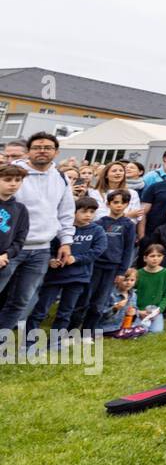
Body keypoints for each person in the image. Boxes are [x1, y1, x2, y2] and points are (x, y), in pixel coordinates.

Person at [0, 133, 74, 337]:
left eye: (48, 147)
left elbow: (66, 211)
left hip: (41, 249)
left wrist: (66, 241)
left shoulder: (60, 177)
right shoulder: (13, 174)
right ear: (28, 151)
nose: (42, 151)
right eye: (37, 147)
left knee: (21, 301)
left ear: (56, 152)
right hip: (9, 248)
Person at [30, 197, 107, 344]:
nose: (88, 215)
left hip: (78, 278)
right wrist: (51, 260)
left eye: (92, 212)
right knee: (40, 311)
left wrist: (76, 259)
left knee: (65, 312)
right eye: (84, 211)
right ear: (73, 212)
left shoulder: (97, 231)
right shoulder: (61, 230)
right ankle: (29, 341)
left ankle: (55, 342)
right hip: (54, 277)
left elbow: (98, 250)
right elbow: (49, 247)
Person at [80, 189, 136, 334]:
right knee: (85, 299)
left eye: (123, 203)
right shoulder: (99, 223)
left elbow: (128, 249)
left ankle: (88, 331)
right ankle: (72, 330)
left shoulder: (129, 225)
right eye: (115, 202)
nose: (119, 205)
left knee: (100, 302)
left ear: (127, 205)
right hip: (95, 266)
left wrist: (122, 271)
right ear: (108, 203)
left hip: (112, 269)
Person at [0, 165, 31, 298]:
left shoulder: (20, 209)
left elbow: (20, 238)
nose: (13, 184)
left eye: (18, 180)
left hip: (3, 263)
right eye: (8, 179)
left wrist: (6, 255)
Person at [134, 243, 166, 333]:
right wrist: (138, 311)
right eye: (152, 256)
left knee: (157, 331)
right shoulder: (138, 273)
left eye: (159, 256)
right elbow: (131, 294)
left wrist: (159, 310)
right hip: (140, 310)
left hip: (155, 310)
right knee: (140, 330)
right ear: (145, 258)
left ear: (163, 257)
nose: (155, 258)